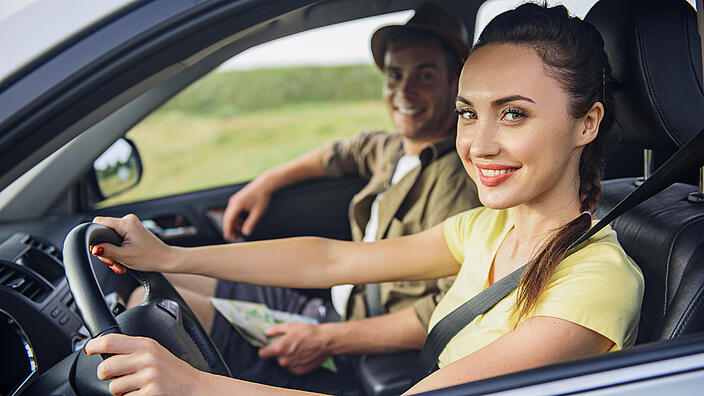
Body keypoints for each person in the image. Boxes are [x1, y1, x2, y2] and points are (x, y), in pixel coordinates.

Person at [86, 4, 644, 396]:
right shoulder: (487, 229)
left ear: (586, 123)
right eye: (469, 112)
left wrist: (194, 387)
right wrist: (169, 258)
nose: (478, 144)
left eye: (514, 113)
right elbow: (334, 260)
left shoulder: (594, 283)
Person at [136, 2, 479, 392]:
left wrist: (326, 341)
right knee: (162, 284)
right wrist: (264, 183)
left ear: (455, 86)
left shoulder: (457, 180)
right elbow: (339, 153)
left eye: (425, 75)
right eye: (395, 75)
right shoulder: (393, 149)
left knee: (155, 314)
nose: (404, 90)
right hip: (327, 312)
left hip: (356, 348)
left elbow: (447, 309)